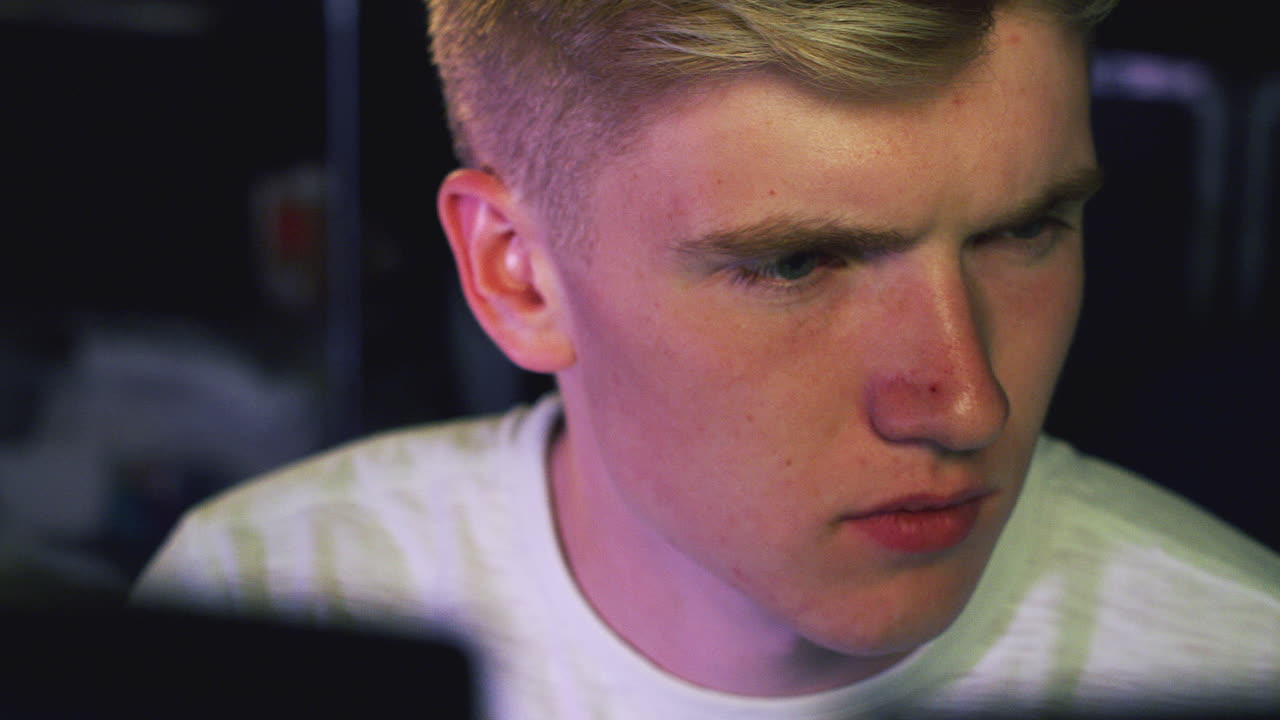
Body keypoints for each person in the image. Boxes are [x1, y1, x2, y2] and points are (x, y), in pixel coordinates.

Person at [133, 1, 1280, 717]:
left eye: (1022, 231)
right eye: (795, 266)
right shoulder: (267, 604)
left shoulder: (1237, 662)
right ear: (515, 274)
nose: (965, 400)